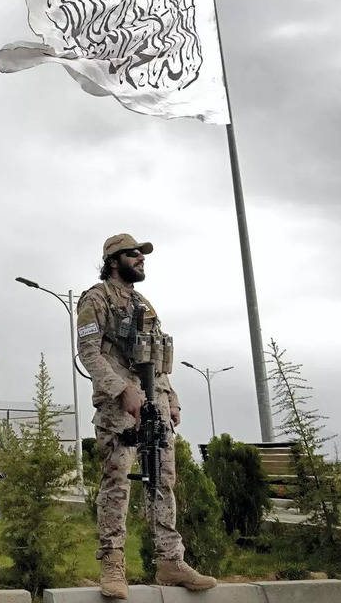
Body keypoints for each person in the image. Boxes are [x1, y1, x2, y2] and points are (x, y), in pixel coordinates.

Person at [77, 233, 217, 595]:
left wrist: (171, 399)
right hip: (117, 405)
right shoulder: (96, 298)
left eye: (142, 254)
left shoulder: (144, 304)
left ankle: (170, 561)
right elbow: (89, 352)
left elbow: (157, 359)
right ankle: (112, 565)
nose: (141, 259)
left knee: (162, 480)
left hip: (154, 404)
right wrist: (120, 389)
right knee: (116, 483)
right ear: (113, 260)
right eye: (133, 254)